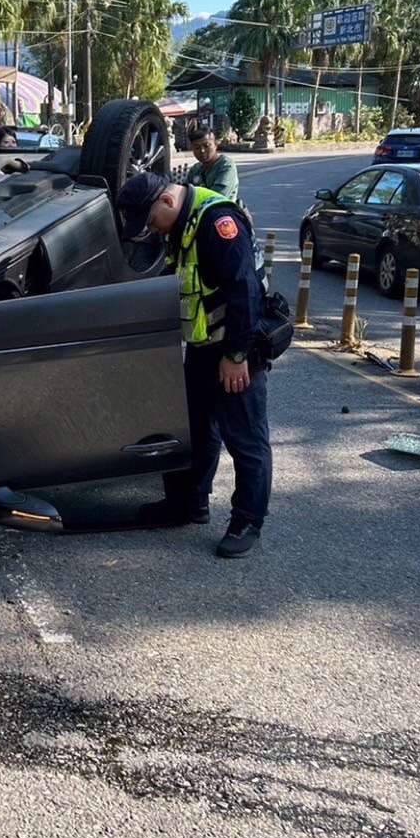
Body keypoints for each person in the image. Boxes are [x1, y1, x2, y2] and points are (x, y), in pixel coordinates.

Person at [116, 172, 271, 558]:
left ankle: (247, 520)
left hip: (236, 349)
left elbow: (245, 291)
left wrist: (237, 357)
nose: (151, 231)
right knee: (195, 430)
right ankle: (188, 503)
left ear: (166, 201)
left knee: (245, 440)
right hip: (204, 347)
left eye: (150, 222)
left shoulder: (218, 223)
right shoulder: (182, 224)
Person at [185, 125, 239, 204]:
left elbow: (217, 198)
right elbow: (186, 195)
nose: (202, 150)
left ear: (216, 144)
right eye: (197, 147)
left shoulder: (226, 166)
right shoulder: (195, 169)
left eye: (206, 146)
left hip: (221, 213)